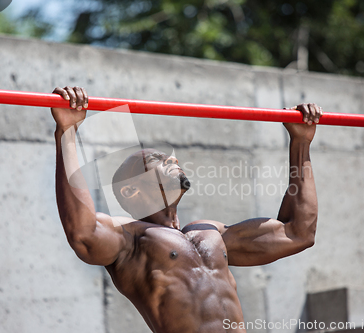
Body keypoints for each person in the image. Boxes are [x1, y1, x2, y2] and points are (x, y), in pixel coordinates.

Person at [51, 86, 322, 333]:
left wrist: (300, 143)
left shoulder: (212, 233)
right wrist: (68, 132)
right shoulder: (131, 241)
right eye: (157, 159)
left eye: (171, 157)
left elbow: (298, 232)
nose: (173, 159)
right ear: (131, 190)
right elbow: (83, 233)